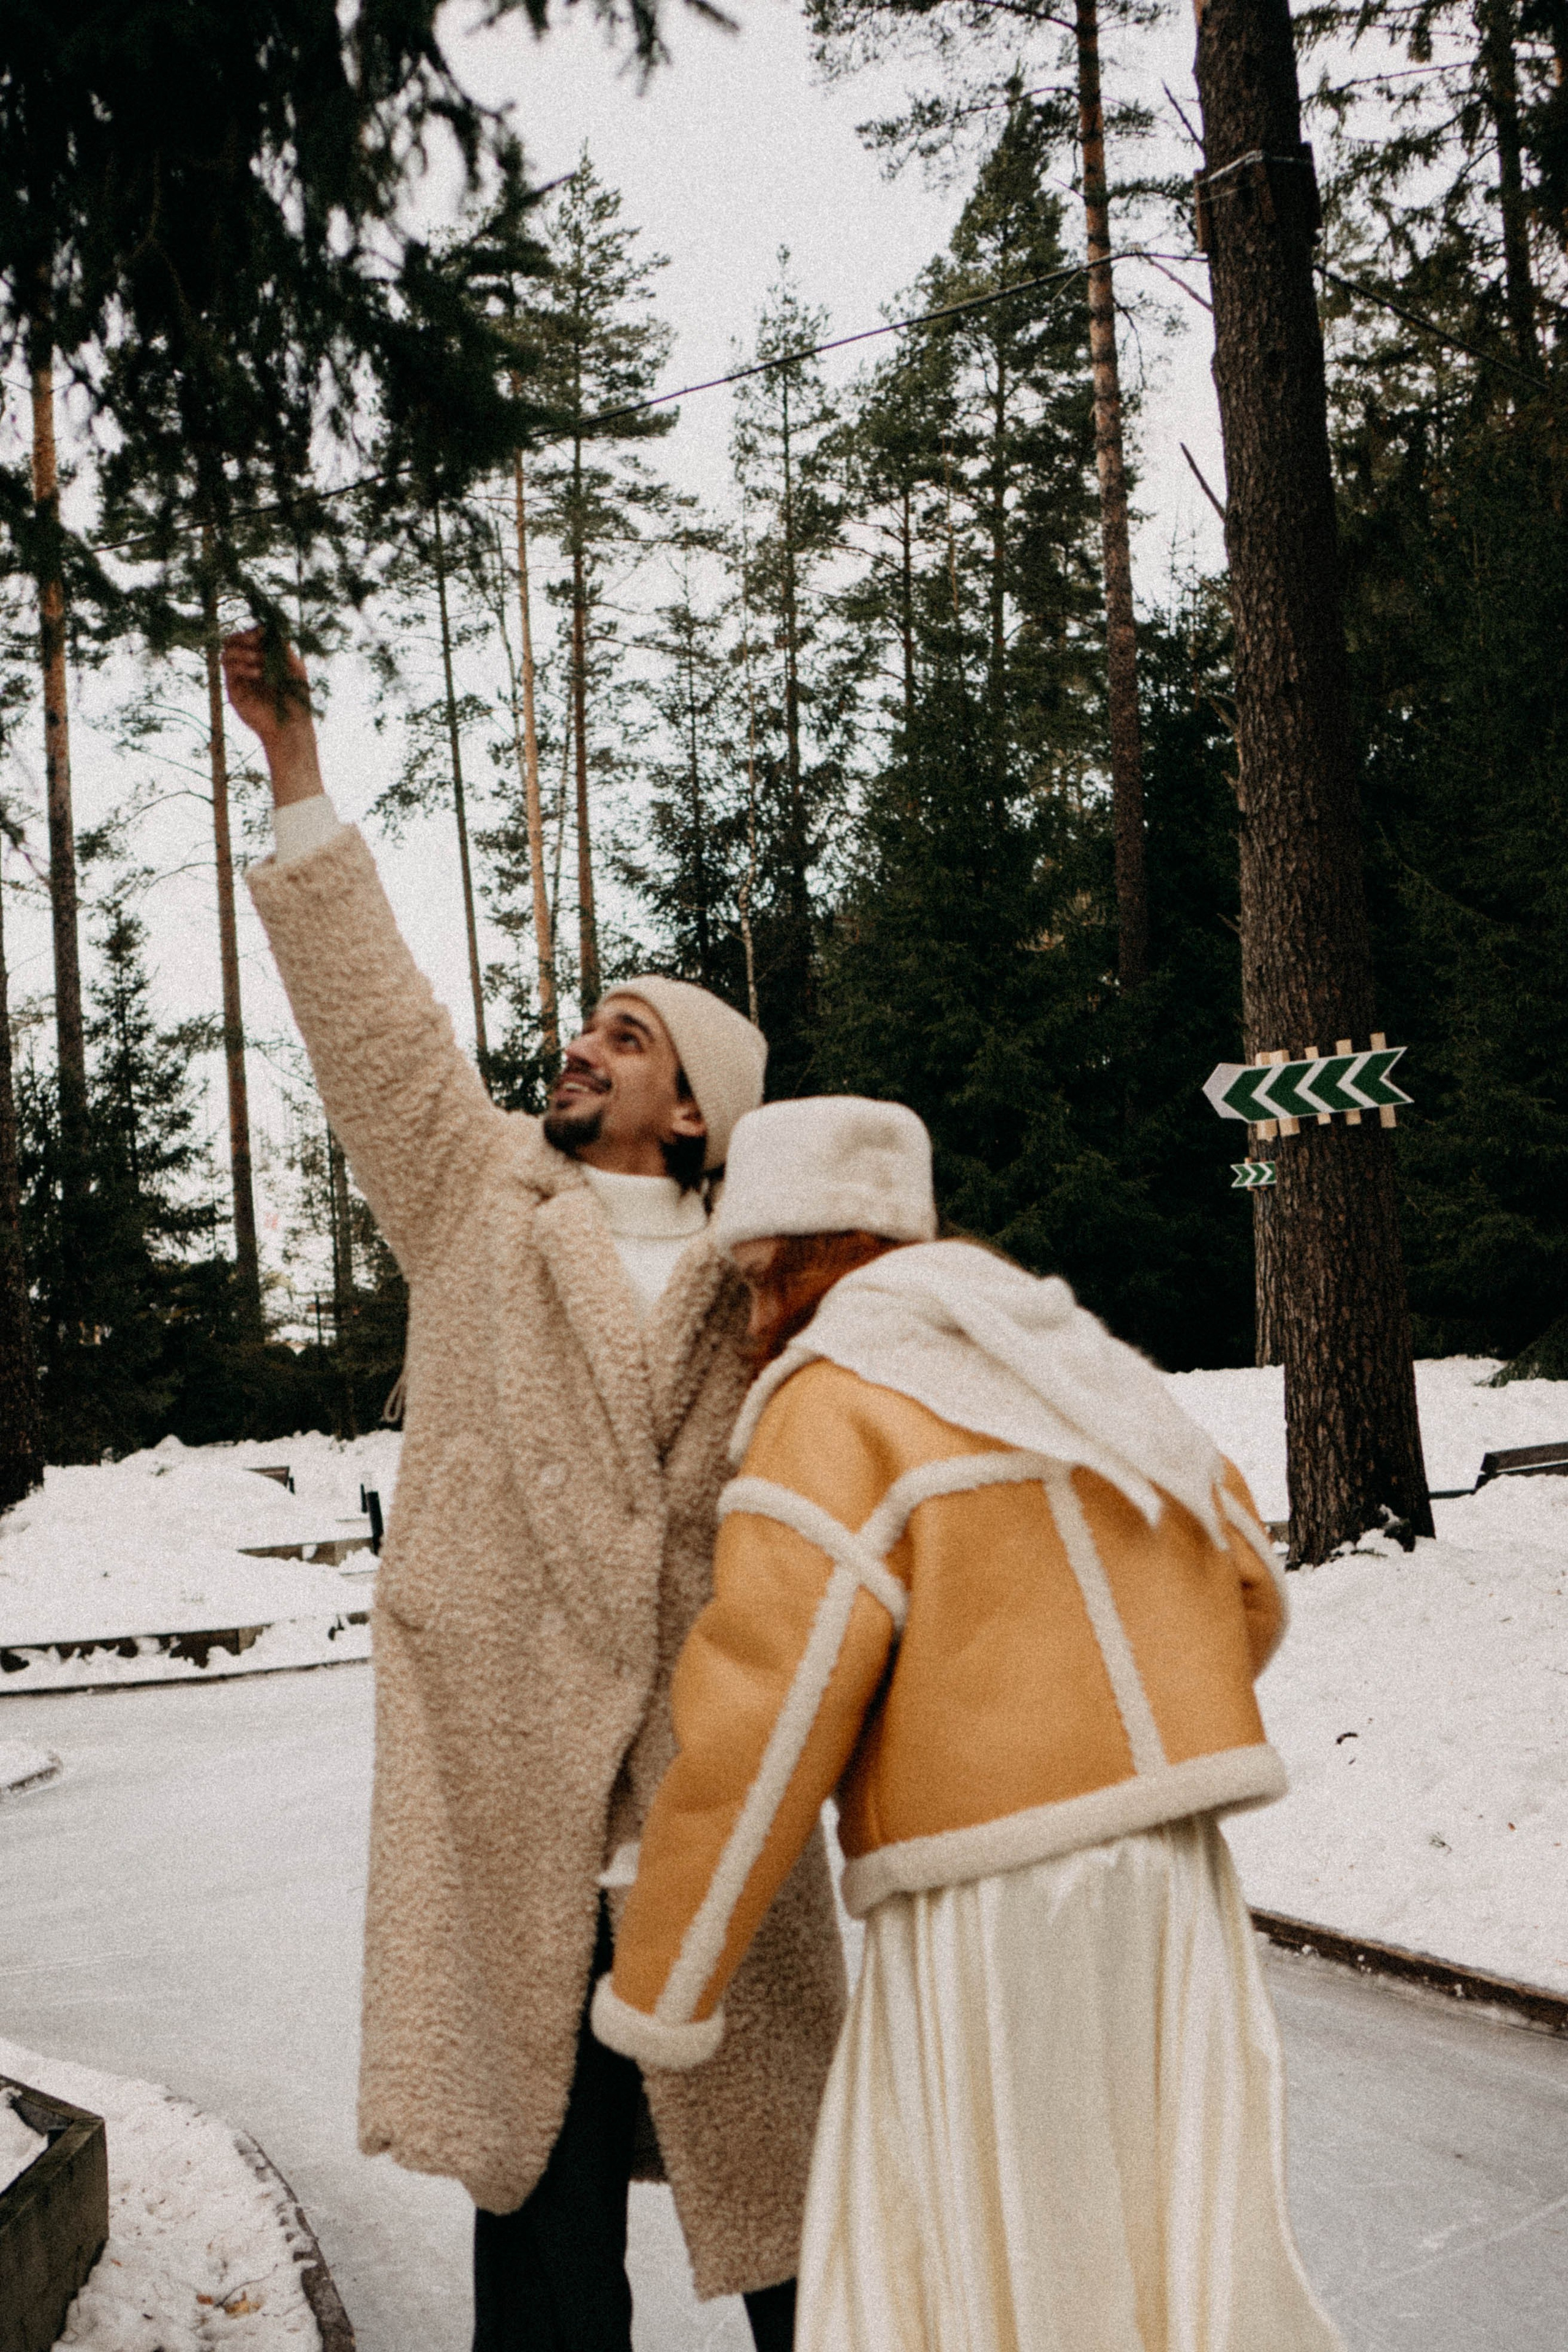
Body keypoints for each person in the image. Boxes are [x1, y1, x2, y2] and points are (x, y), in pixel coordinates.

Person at [222, 631, 845, 2352]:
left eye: (623, 1041)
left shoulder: (774, 1285)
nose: (578, 1052)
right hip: (528, 1835)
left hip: (722, 1829)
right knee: (547, 2250)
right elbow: (376, 1026)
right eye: (582, 1029)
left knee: (805, 2230)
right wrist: (294, 768)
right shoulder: (480, 1198)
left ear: (701, 1114)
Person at [594, 1095, 1346, 2351]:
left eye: (741, 1267)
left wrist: (663, 1984)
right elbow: (1247, 1591)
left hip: (985, 1903)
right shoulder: (1075, 1357)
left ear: (776, 1250)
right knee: (1163, 2227)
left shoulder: (827, 1406)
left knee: (978, 2244)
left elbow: (757, 1725)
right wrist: (1122, 1724)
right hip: (1169, 1884)